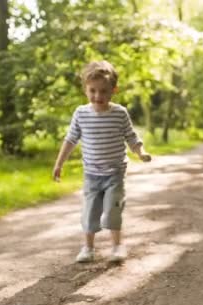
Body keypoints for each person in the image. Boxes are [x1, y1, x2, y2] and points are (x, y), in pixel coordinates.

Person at [52, 60, 151, 263]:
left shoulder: (119, 113)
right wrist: (59, 163)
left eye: (104, 91)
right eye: (93, 91)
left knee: (113, 210)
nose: (98, 96)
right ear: (85, 90)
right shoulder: (81, 114)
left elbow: (131, 137)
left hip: (115, 174)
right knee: (90, 213)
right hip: (91, 175)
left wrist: (140, 152)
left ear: (114, 90)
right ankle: (88, 248)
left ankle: (117, 246)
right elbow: (70, 140)